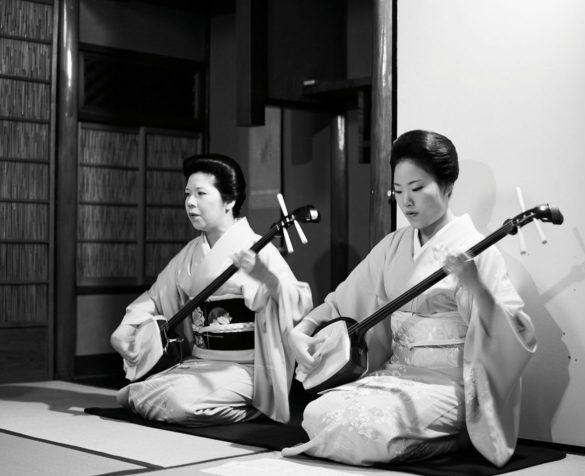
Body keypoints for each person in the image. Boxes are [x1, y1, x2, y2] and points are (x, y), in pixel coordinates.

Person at [282, 130, 536, 467]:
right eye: (398, 191)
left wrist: (476, 288)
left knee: (368, 429)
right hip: (396, 375)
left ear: (448, 186)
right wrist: (303, 328)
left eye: (417, 189)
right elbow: (344, 298)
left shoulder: (478, 249)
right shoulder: (393, 246)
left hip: (448, 384)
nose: (406, 202)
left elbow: (516, 331)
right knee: (318, 412)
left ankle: (456, 437)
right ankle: (423, 442)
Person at [110, 153, 313, 426]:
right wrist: (126, 327)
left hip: (244, 368)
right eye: (187, 194)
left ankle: (252, 409)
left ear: (229, 201)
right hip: (200, 363)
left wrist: (266, 278)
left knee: (175, 402)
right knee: (132, 395)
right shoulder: (191, 253)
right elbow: (156, 297)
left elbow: (299, 302)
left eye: (201, 193)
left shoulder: (257, 248)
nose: (190, 202)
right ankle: (207, 399)